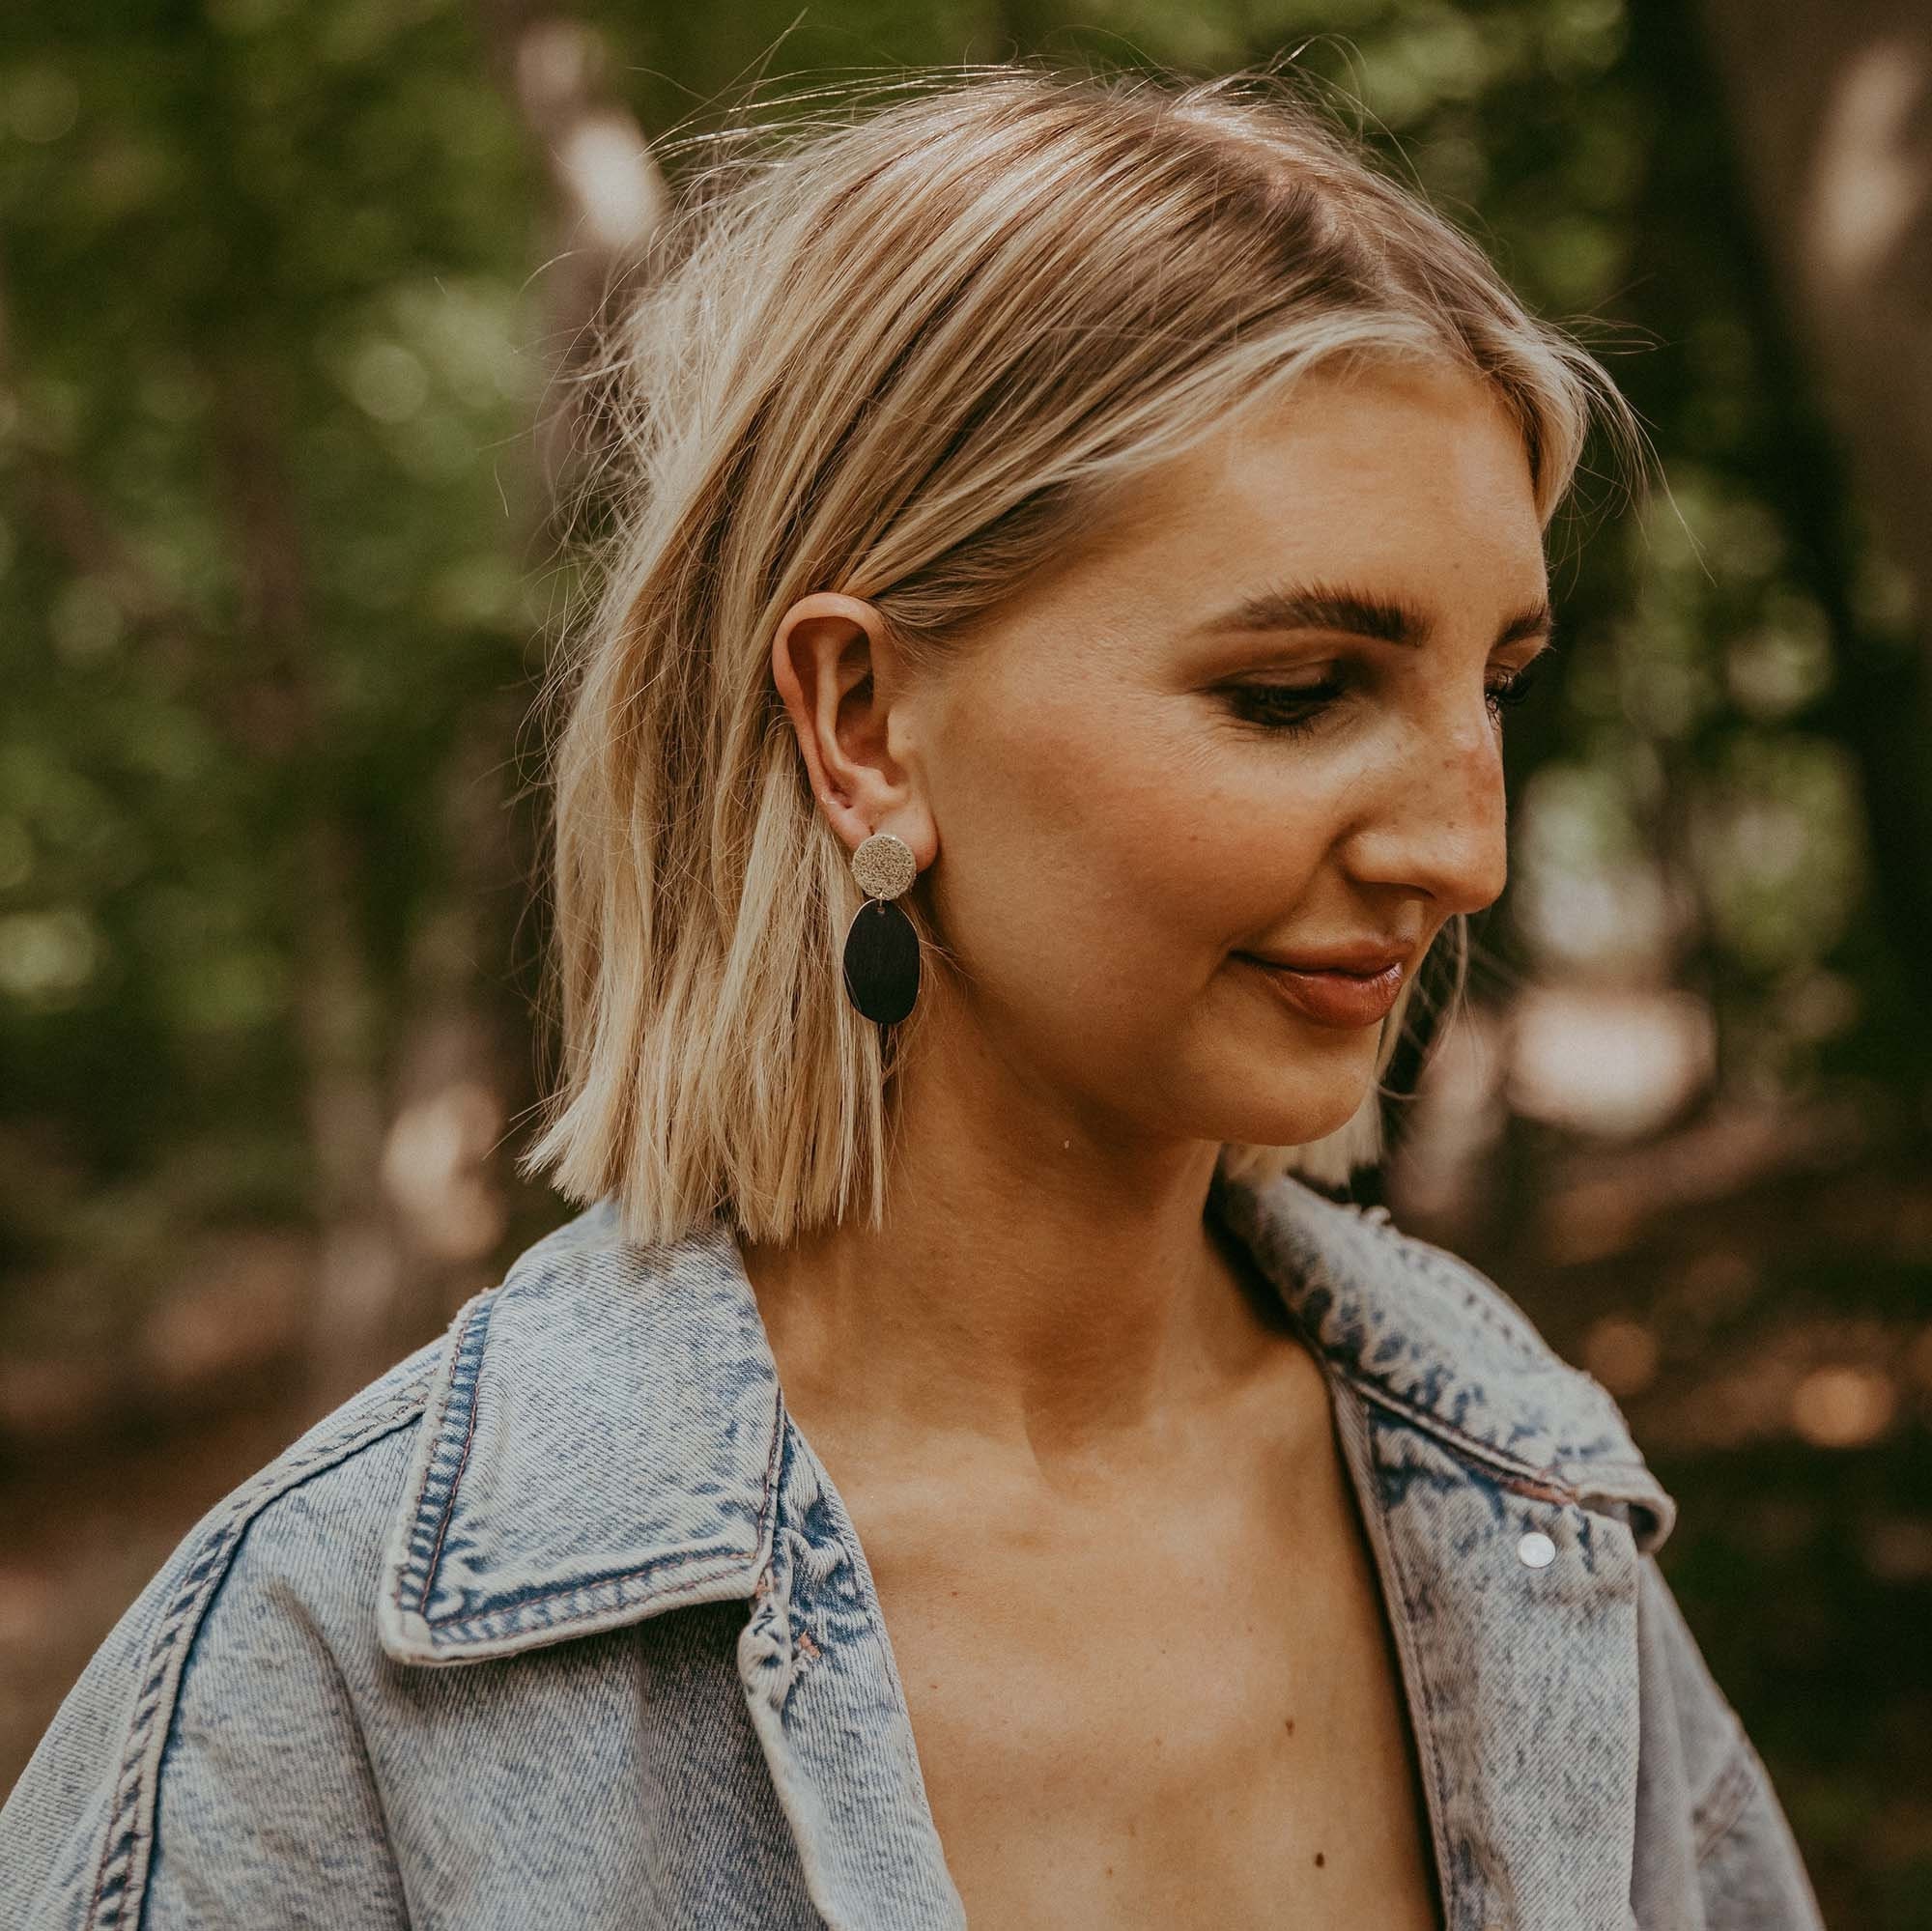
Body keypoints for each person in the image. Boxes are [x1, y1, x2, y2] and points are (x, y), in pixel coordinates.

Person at [2, 62, 1825, 1931]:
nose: (1467, 852)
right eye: (1296, 692)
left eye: (1495, 687)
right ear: (861, 722)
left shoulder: (1534, 1516)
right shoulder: (328, 1679)